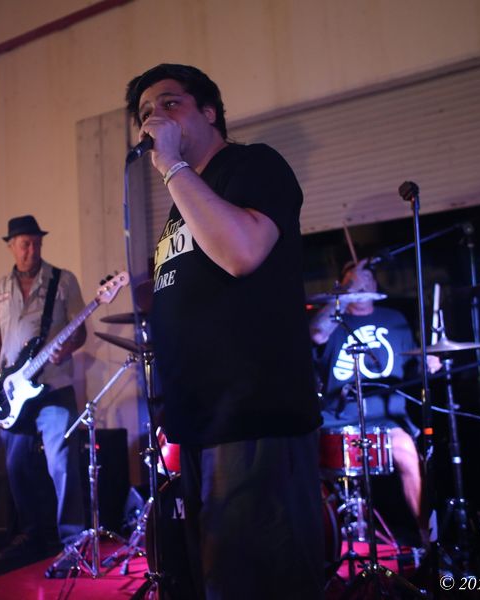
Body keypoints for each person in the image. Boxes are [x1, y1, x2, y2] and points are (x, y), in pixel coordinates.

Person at [126, 64, 325, 599]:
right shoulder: (184, 202)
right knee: (214, 581)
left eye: (170, 103)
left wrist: (171, 165)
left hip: (253, 416)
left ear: (210, 112)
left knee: (260, 584)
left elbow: (242, 252)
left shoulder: (253, 164)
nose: (154, 118)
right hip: (198, 423)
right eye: (145, 112)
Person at [310, 258, 441, 542]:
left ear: (376, 285)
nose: (361, 283)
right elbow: (317, 334)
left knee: (409, 453)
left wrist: (427, 364)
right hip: (339, 418)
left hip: (386, 417)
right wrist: (345, 293)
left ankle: (428, 540)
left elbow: (411, 367)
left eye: (366, 277)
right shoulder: (333, 320)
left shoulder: (394, 319)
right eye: (354, 278)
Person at [0, 215, 86, 563]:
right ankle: (32, 535)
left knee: (62, 462)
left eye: (36, 243)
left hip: (54, 386)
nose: (32, 250)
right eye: (25, 244)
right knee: (17, 467)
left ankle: (72, 540)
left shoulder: (63, 281)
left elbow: (79, 329)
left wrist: (67, 348)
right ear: (11, 247)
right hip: (13, 393)